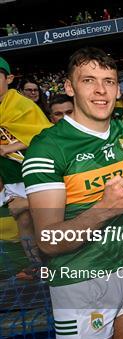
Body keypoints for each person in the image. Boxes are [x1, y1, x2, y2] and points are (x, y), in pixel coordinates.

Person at [22, 47, 123, 339]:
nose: (100, 90)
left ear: (119, 89)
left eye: (109, 81)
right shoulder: (47, 149)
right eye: (88, 80)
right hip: (80, 281)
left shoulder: (122, 131)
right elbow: (49, 241)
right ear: (69, 87)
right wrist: (105, 210)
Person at [0, 57, 52, 280]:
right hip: (10, 174)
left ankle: (56, 263)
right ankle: (36, 265)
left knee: (45, 218)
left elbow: (44, 134)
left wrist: (10, 146)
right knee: (22, 220)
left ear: (9, 78)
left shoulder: (22, 104)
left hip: (32, 169)